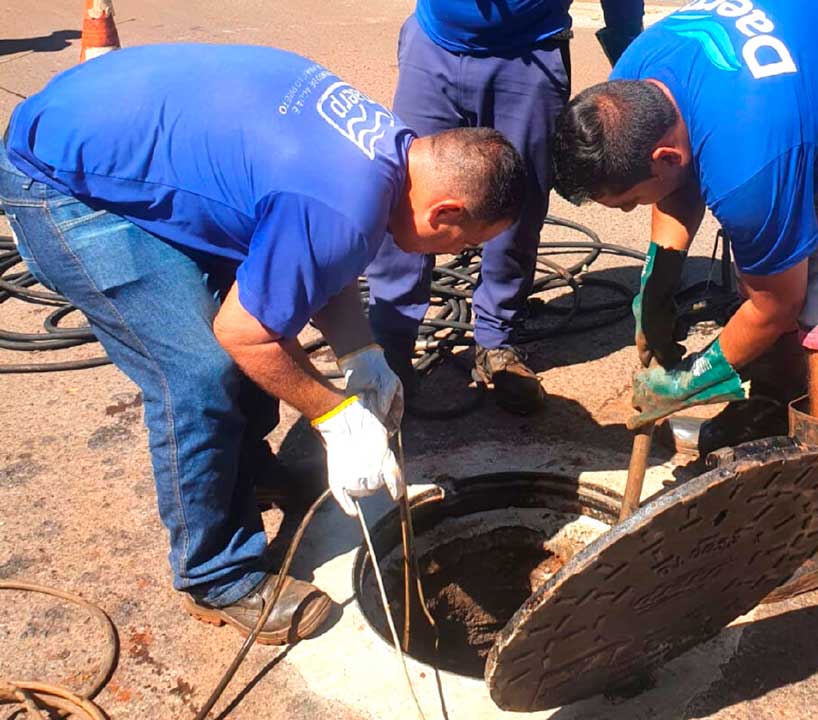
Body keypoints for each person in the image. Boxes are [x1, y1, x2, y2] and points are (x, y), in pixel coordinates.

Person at [0, 43, 525, 643]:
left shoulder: (387, 149)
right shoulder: (341, 204)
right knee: (201, 372)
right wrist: (334, 415)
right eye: (464, 244)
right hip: (61, 182)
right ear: (446, 210)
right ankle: (217, 577)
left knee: (251, 324)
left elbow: (317, 257)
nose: (456, 257)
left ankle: (248, 473)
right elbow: (245, 332)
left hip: (104, 129)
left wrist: (362, 354)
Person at [552, 0, 818, 600]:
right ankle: (773, 423)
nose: (631, 212)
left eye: (628, 200)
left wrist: (690, 381)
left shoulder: (750, 162)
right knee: (773, 266)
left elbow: (777, 306)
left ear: (663, 155)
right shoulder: (636, 82)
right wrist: (660, 277)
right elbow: (677, 186)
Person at [365, 0, 643, 415]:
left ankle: (496, 340)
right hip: (434, 43)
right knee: (405, 196)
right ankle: (389, 349)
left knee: (517, 203)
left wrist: (630, 63)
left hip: (527, 54)